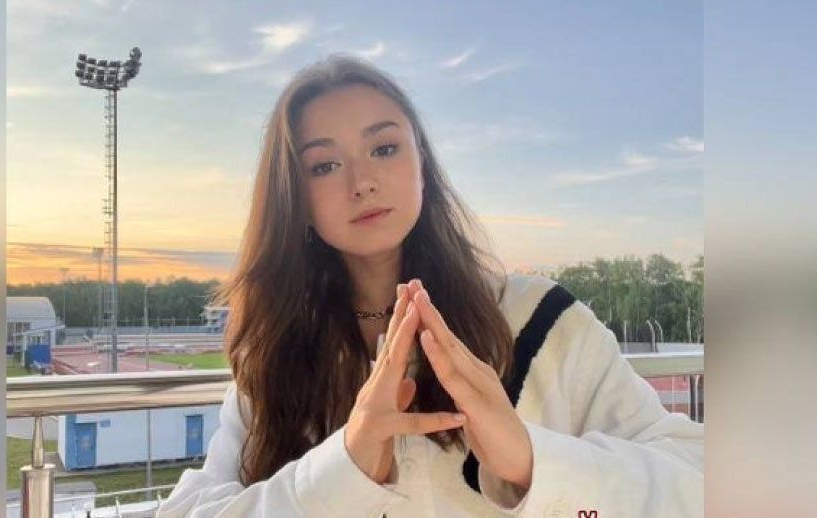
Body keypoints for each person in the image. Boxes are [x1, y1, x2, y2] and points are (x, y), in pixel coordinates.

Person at [157, 56, 703, 516]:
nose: (362, 182)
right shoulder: (279, 352)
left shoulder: (539, 320)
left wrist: (533, 461)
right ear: (294, 196)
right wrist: (339, 473)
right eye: (324, 166)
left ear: (423, 162)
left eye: (384, 148)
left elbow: (698, 483)